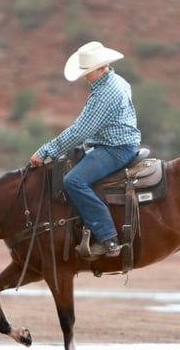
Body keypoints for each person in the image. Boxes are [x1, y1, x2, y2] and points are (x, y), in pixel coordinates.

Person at [30, 41, 141, 256]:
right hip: (116, 143)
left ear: (102, 67)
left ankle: (108, 238)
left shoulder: (104, 94)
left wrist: (45, 151)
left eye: (87, 72)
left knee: (74, 180)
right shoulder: (118, 81)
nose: (84, 76)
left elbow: (79, 131)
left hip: (115, 148)